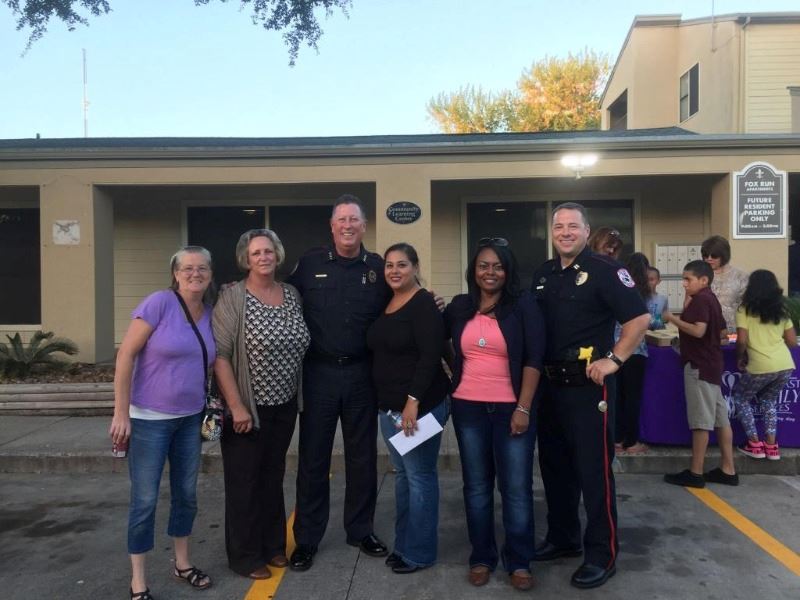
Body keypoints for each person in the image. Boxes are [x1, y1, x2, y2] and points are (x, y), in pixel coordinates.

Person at [532, 202, 649, 590]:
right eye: (558, 226)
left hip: (588, 389)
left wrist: (615, 359)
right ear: (552, 232)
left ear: (586, 230)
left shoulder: (606, 270)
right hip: (550, 388)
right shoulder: (545, 274)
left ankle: (602, 553)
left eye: (572, 226)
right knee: (555, 468)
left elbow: (639, 319)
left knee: (593, 473)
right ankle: (563, 538)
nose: (565, 232)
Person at [287, 194, 392, 571]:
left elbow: (403, 302)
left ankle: (360, 529)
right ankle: (308, 538)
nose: (347, 226)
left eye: (354, 220)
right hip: (319, 375)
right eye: (341, 220)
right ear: (332, 227)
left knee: (362, 457)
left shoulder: (378, 267)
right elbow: (280, 300)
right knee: (313, 459)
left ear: (364, 227)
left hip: (363, 374)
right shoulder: (309, 264)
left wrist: (433, 303)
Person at [109, 246, 215, 600]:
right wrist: (121, 412)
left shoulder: (209, 313)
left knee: (186, 496)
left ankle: (182, 563)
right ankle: (138, 581)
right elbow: (125, 355)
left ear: (210, 274)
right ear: (175, 273)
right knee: (145, 500)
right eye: (187, 268)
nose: (194, 273)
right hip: (149, 420)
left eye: (201, 268)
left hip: (190, 420)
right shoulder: (158, 303)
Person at [444, 237, 544, 591]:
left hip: (510, 409)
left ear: (508, 271)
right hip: (467, 406)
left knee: (516, 489)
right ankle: (481, 557)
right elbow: (435, 339)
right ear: (474, 269)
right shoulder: (460, 306)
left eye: (497, 266)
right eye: (484, 265)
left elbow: (534, 359)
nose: (490, 272)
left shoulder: (523, 306)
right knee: (477, 487)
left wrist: (523, 407)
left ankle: (518, 561)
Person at [212, 229, 310, 580]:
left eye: (269, 251)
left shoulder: (291, 294)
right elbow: (220, 357)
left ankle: (272, 546)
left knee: (272, 477)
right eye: (256, 253)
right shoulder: (234, 297)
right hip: (246, 409)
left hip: (283, 406)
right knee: (243, 483)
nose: (264, 257)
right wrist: (236, 406)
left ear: (278, 255)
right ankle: (244, 555)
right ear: (246, 259)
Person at [365, 243, 450, 575]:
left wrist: (412, 402)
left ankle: (420, 552)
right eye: (389, 265)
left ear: (415, 267)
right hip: (388, 410)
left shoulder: (423, 304)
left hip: (419, 408)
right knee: (403, 476)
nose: (394, 271)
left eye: (402, 264)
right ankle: (404, 544)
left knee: (420, 477)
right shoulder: (387, 302)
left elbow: (431, 356)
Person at [662, 260, 738, 488]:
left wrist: (673, 318)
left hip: (699, 366)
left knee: (700, 422)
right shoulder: (711, 299)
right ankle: (728, 468)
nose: (684, 284)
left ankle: (696, 472)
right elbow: (723, 332)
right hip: (713, 364)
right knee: (720, 419)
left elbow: (698, 330)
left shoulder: (701, 300)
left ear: (703, 280)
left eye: (688, 279)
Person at [732, 270, 797, 461]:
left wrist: (741, 357)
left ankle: (754, 444)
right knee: (769, 402)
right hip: (785, 365)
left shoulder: (744, 310)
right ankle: (771, 446)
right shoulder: (782, 310)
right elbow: (792, 341)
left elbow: (741, 340)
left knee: (741, 399)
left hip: (760, 365)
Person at [615, 253, 653, 455]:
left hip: (615, 350)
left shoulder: (618, 287)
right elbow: (651, 320)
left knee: (617, 397)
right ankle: (632, 441)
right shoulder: (643, 294)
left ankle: (617, 439)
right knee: (633, 397)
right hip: (636, 350)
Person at [701, 235, 748, 334]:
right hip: (706, 330)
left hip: (734, 330)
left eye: (714, 255)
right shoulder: (699, 275)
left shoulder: (740, 276)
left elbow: (747, 305)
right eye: (706, 255)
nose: (709, 259)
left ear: (724, 255)